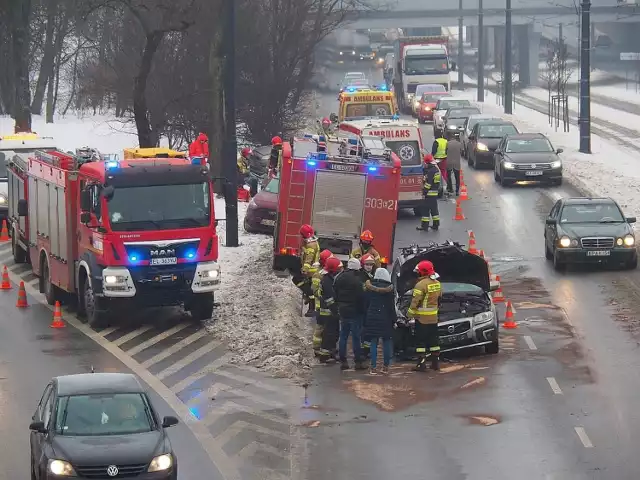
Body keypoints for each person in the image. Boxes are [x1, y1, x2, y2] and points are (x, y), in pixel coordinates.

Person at [407, 260, 442, 371]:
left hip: (422, 319)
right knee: (434, 341)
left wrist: (409, 314)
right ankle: (435, 364)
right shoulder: (437, 283)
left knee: (421, 342)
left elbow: (415, 302)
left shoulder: (420, 285)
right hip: (433, 318)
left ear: (422, 272)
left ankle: (421, 365)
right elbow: (440, 299)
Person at [334, 258, 367, 371]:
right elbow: (361, 298)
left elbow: (335, 292)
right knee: (356, 336)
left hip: (343, 310)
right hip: (355, 312)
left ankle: (343, 361)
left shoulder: (339, 277)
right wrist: (363, 311)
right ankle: (358, 361)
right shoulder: (357, 281)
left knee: (343, 335)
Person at [363, 268, 397, 375]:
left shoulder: (369, 288)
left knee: (373, 343)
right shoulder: (390, 289)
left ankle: (373, 367)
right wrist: (394, 320)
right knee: (386, 342)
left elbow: (366, 303)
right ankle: (385, 367)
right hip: (386, 318)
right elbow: (391, 307)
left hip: (372, 317)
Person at [318, 256, 343, 363]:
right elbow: (329, 299)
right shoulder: (327, 281)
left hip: (331, 312)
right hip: (328, 313)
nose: (341, 270)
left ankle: (331, 352)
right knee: (329, 334)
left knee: (334, 333)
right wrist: (335, 311)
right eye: (339, 269)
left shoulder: (330, 278)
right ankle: (324, 356)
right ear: (333, 270)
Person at [292, 224, 320, 317]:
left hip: (311, 271)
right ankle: (310, 304)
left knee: (298, 281)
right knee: (309, 289)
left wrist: (304, 270)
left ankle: (311, 307)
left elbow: (309, 259)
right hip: (311, 271)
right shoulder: (311, 242)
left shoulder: (311, 245)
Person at [311, 249, 334, 356]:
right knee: (320, 328)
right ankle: (317, 348)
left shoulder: (324, 273)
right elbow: (315, 291)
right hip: (320, 306)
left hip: (324, 305)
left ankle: (322, 348)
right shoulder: (318, 275)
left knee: (325, 328)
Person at [417, 154, 441, 232]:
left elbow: (428, 184)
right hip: (434, 193)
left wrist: (424, 192)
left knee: (425, 210)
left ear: (427, 163)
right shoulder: (436, 170)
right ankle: (436, 225)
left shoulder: (430, 172)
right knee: (434, 210)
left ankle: (425, 226)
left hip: (429, 194)